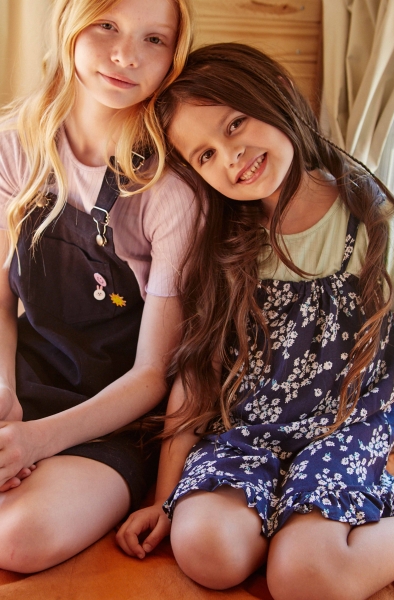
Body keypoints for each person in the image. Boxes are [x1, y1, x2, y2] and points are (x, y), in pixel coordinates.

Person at [117, 43, 394, 600]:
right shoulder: (220, 245)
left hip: (341, 434)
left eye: (235, 124)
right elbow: (197, 373)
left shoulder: (380, 228)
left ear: (276, 94)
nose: (231, 156)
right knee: (206, 551)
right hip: (244, 432)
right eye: (206, 155)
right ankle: (276, 520)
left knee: (306, 576)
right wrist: (164, 499)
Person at [0, 0, 195, 573]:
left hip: (115, 418)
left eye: (154, 39)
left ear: (173, 58)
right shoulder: (15, 146)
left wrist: (37, 441)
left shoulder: (171, 193)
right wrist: (5, 396)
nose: (126, 55)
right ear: (70, 25)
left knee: (18, 539)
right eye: (107, 26)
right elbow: (1, 304)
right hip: (24, 383)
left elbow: (152, 375)